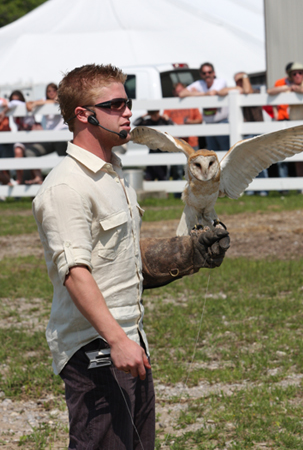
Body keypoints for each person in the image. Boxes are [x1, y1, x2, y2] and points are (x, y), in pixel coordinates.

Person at [32, 63, 230, 450]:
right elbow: (75, 273)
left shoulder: (113, 176)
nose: (128, 112)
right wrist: (116, 341)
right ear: (84, 115)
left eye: (129, 102)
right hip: (95, 348)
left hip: (128, 339)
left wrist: (189, 253)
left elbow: (124, 261)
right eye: (117, 104)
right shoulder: (66, 187)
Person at [268, 62, 303, 194]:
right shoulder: (289, 86)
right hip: (295, 126)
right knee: (299, 159)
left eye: (300, 73)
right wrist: (287, 87)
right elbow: (270, 91)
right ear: (290, 76)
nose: (297, 75)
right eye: (294, 73)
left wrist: (291, 88)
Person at [219, 72, 268, 196]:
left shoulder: (255, 91)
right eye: (237, 81)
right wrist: (237, 87)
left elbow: (248, 90)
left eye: (241, 80)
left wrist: (244, 77)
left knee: (259, 161)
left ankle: (263, 188)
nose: (239, 83)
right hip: (244, 132)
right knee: (245, 164)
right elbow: (221, 92)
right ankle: (250, 189)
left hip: (257, 131)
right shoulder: (236, 93)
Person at [178, 62, 229, 151]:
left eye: (209, 72)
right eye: (204, 73)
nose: (207, 75)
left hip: (222, 122)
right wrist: (203, 94)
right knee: (213, 155)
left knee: (226, 153)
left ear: (214, 73)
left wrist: (194, 93)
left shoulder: (220, 81)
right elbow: (182, 93)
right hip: (208, 124)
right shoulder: (200, 83)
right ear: (201, 74)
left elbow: (212, 93)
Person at [133, 109, 174, 181]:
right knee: (149, 176)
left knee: (162, 176)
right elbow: (135, 123)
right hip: (152, 150)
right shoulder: (148, 122)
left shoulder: (163, 121)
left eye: (155, 113)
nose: (154, 116)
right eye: (152, 114)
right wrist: (145, 115)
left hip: (163, 151)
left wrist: (167, 119)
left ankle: (164, 190)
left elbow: (173, 127)